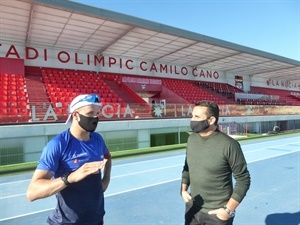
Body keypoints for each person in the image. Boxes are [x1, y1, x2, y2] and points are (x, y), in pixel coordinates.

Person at [26, 93, 112, 225]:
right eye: (90, 113)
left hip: (97, 220)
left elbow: (107, 156)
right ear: (76, 115)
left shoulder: (97, 139)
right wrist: (70, 178)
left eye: (97, 113)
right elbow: (32, 193)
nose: (95, 117)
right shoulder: (58, 145)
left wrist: (105, 180)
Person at [181, 100, 250, 225]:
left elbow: (243, 179)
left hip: (217, 214)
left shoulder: (229, 145)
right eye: (192, 116)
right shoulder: (191, 139)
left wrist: (228, 210)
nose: (192, 120)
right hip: (192, 209)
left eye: (197, 117)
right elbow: (187, 166)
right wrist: (183, 189)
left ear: (211, 120)